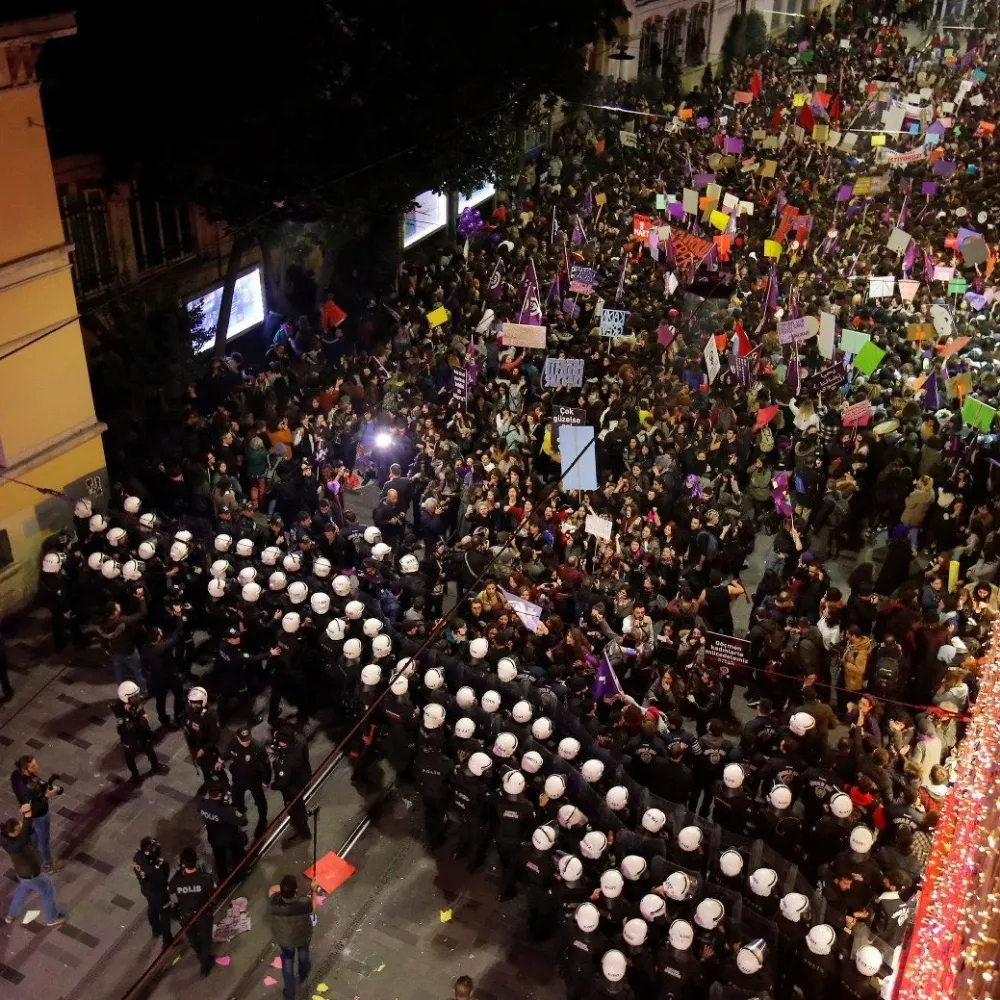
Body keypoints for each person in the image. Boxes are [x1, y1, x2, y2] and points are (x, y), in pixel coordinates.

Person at [1, 814, 65, 926]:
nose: (22, 830)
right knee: (47, 892)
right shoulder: (16, 845)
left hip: (23, 874)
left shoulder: (7, 839)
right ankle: (51, 918)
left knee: (23, 891)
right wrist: (27, 818)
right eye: (19, 829)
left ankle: (11, 915)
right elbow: (25, 837)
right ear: (11, 833)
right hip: (32, 875)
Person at [9, 755, 62, 873]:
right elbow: (41, 798)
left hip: (28, 814)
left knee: (33, 836)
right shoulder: (32, 786)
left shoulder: (15, 776)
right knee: (44, 839)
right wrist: (47, 795)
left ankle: (36, 858)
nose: (37, 767)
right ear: (24, 769)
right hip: (40, 814)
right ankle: (48, 865)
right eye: (33, 766)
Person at [168, 846, 216, 976]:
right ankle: (205, 964)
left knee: (193, 938)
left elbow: (171, 892)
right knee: (206, 940)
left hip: (185, 915)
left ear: (183, 864)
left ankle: (200, 954)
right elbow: (212, 890)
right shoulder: (204, 878)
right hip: (202, 915)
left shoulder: (177, 881)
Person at [268, 874, 317, 1000]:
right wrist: (313, 890)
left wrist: (284, 889)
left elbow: (271, 889)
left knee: (287, 962)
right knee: (303, 954)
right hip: (302, 935)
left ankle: (289, 993)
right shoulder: (303, 902)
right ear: (295, 890)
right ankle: (303, 973)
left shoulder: (274, 901)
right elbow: (314, 907)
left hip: (285, 940)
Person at [113, 681, 170, 783]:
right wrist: (135, 716)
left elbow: (141, 713)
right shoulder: (121, 713)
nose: (137, 698)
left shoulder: (135, 703)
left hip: (143, 734)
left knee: (150, 750)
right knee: (130, 757)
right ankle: (135, 775)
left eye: (136, 695)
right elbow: (129, 728)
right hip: (130, 740)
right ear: (125, 698)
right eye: (134, 696)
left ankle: (155, 767)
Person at [224, 726, 273, 839]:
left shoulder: (258, 748)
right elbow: (228, 753)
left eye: (248, 739)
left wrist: (266, 781)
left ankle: (262, 819)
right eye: (244, 740)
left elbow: (266, 767)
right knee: (237, 796)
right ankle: (240, 810)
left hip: (254, 779)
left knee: (259, 800)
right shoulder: (233, 743)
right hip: (238, 777)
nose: (247, 742)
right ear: (237, 738)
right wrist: (221, 759)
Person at [132, 836, 172, 948]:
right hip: (158, 892)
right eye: (153, 848)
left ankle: (155, 930)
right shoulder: (154, 868)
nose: (156, 849)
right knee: (164, 915)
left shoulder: (138, 858)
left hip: (146, 889)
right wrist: (162, 864)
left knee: (152, 908)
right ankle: (167, 939)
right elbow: (163, 879)